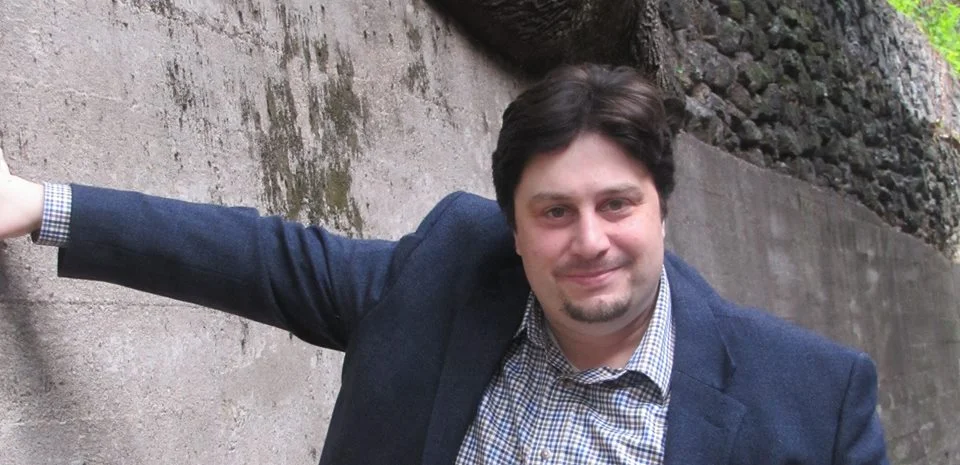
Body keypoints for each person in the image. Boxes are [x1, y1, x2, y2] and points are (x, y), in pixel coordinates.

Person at [0, 63, 888, 465]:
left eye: (617, 204)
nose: (589, 240)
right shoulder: (451, 275)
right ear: (514, 228)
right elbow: (265, 258)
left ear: (662, 206)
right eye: (554, 212)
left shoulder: (812, 404)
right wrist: (38, 205)